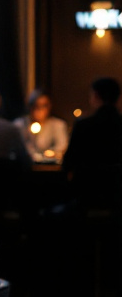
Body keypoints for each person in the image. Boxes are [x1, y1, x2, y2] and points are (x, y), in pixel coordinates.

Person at [61, 76, 122, 206]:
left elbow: (68, 164)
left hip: (85, 196)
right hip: (117, 197)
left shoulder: (84, 125)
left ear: (95, 95)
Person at [13, 89, 70, 158]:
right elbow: (16, 148)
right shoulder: (19, 125)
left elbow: (62, 146)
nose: (38, 110)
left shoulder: (58, 125)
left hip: (50, 166)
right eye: (35, 106)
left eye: (43, 106)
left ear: (49, 107)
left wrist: (50, 153)